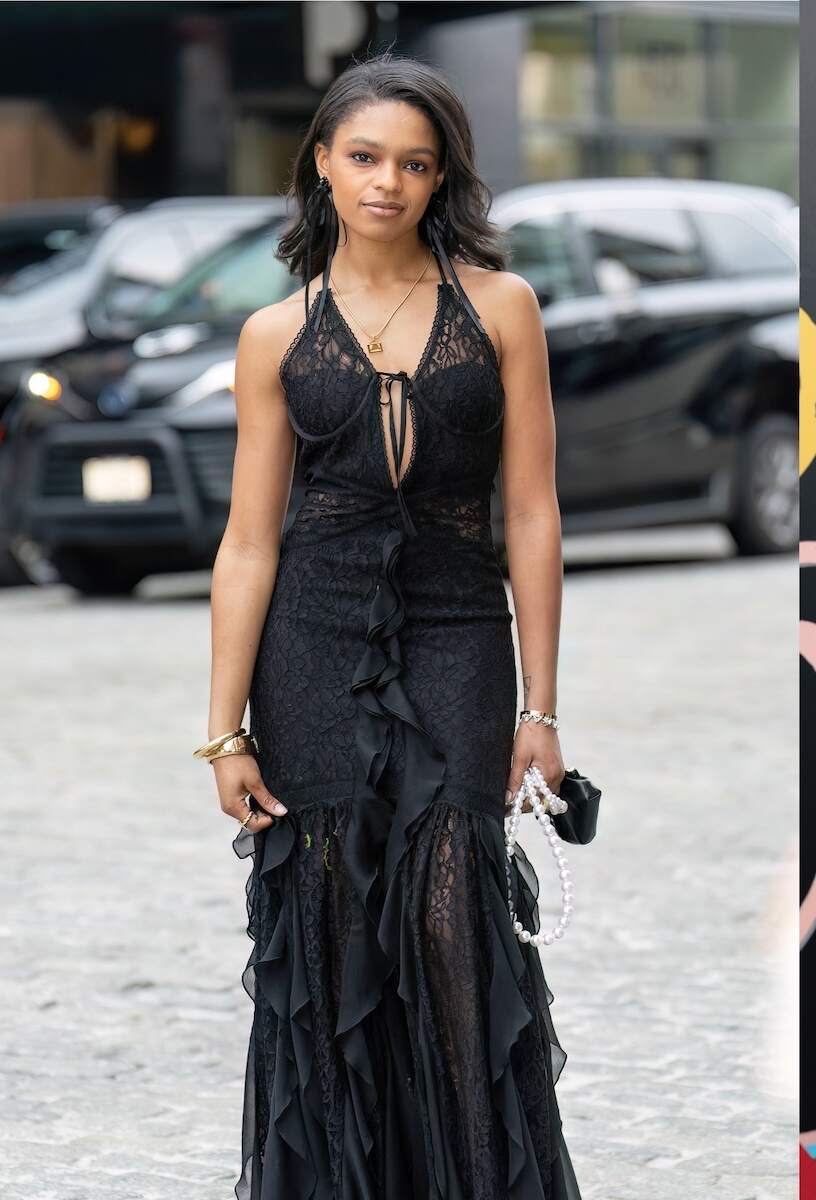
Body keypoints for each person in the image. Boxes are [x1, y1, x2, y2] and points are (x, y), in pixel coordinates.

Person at [199, 51, 581, 1197]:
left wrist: (541, 708)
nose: (386, 183)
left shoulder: (501, 308)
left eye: (413, 164)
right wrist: (224, 731)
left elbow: (532, 513)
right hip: (309, 649)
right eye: (364, 158)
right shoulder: (275, 334)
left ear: (441, 178)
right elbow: (249, 541)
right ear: (320, 164)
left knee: (451, 920)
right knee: (327, 925)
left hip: (461, 633)